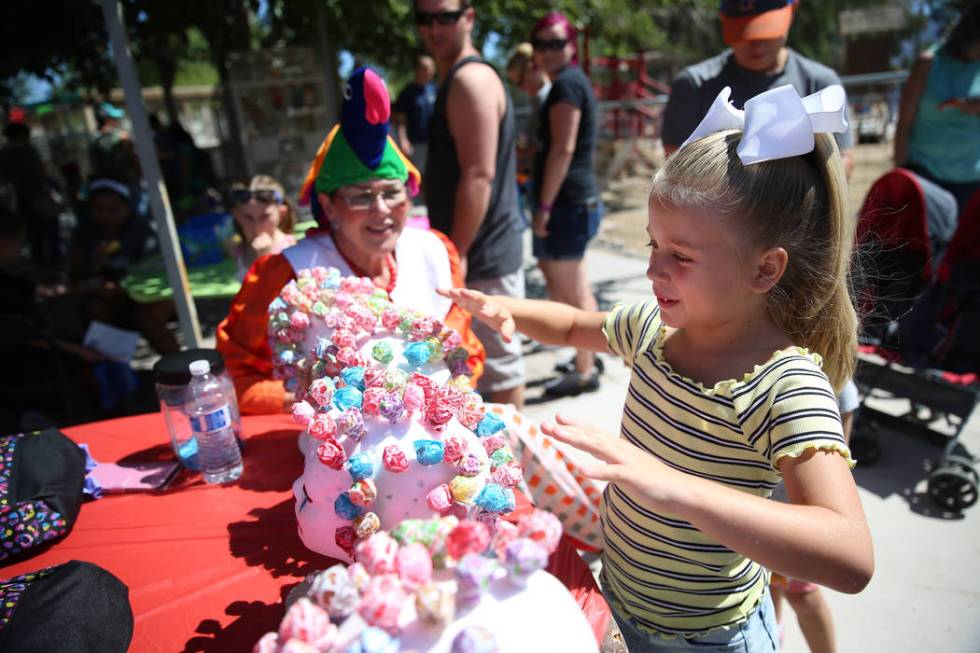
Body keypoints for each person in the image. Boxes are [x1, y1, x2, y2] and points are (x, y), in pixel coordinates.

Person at [441, 85, 874, 650]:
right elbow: (573, 325)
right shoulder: (653, 331)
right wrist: (509, 311)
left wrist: (671, 486)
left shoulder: (785, 386)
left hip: (709, 641)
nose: (653, 270)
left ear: (765, 270)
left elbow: (850, 554)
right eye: (652, 245)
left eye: (681, 256)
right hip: (622, 606)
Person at [216, 67, 484, 415]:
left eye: (392, 192)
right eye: (360, 196)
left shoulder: (434, 252)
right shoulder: (287, 275)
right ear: (329, 205)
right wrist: (307, 401)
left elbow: (466, 353)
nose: (381, 209)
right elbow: (235, 376)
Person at [416, 0, 526, 409]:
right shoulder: (456, 79)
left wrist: (455, 254)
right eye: (424, 18)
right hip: (476, 251)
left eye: (445, 16)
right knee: (475, 366)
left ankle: (511, 467)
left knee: (499, 368)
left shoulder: (470, 80)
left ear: (469, 17)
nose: (433, 27)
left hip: (484, 253)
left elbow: (479, 176)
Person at [661, 0, 855, 178]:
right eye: (743, 30)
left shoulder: (821, 84)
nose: (755, 43)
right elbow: (675, 170)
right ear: (723, 19)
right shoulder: (693, 85)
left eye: (766, 28)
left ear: (792, 11)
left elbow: (843, 161)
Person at [529, 12, 603, 397]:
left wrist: (542, 208)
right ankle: (586, 357)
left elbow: (563, 148)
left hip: (566, 203)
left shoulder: (567, 86)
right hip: (572, 202)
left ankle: (585, 369)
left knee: (571, 293)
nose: (548, 51)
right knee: (574, 288)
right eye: (541, 44)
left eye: (556, 42)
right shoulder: (565, 83)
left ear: (571, 46)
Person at [769, 380, 859, 653]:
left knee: (803, 597)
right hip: (762, 512)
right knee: (765, 590)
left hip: (797, 520)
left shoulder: (835, 382)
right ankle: (772, 637)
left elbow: (838, 460)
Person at [69, 178, 178, 355]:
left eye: (113, 209)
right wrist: (95, 265)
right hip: (106, 296)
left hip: (149, 294)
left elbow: (159, 275)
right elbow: (76, 276)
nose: (106, 216)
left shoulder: (143, 231)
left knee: (146, 317)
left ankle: (180, 370)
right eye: (99, 209)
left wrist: (125, 289)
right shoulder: (84, 234)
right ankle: (114, 372)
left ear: (127, 207)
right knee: (97, 312)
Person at [893, 1, 980, 214]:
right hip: (927, 179)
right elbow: (904, 124)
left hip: (973, 182)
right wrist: (901, 177)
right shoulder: (928, 64)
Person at [0, 121, 62, 265]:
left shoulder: (4, 154)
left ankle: (38, 257)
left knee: (33, 230)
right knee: (51, 228)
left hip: (20, 197)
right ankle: (54, 256)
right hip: (39, 195)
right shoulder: (29, 151)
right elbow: (41, 171)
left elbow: (5, 176)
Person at [225, 175, 297, 279]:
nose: (256, 226)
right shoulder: (240, 250)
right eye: (248, 217)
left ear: (282, 213)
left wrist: (265, 258)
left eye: (264, 217)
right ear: (237, 216)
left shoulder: (291, 248)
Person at [393, 55, 437, 176]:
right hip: (416, 143)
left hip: (434, 143)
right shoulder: (408, 92)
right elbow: (401, 119)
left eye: (432, 67)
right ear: (418, 70)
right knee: (417, 177)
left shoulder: (434, 89)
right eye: (427, 68)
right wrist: (403, 140)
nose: (431, 70)